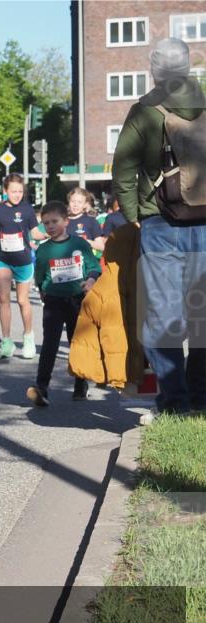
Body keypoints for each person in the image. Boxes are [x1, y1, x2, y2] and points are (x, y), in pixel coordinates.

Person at [111, 37, 205, 418]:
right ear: (187, 67)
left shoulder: (145, 110)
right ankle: (201, 398)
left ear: (154, 68)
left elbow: (123, 168)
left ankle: (175, 400)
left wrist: (135, 213)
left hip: (160, 221)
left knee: (164, 315)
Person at [27, 201, 102, 406]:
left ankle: (80, 383)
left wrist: (91, 280)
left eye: (54, 221)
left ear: (66, 221)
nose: (50, 226)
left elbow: (94, 267)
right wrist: (42, 290)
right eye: (46, 223)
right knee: (49, 345)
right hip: (53, 302)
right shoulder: (43, 250)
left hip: (77, 301)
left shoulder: (79, 244)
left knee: (76, 344)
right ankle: (42, 387)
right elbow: (40, 275)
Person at [0, 174, 46, 359]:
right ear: (5, 191)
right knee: (3, 299)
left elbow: (34, 232)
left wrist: (49, 233)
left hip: (23, 260)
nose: (17, 194)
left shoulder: (27, 209)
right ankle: (7, 341)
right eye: (13, 191)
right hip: (3, 259)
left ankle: (28, 338)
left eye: (20, 191)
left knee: (23, 301)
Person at [66, 187, 106, 254]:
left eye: (80, 202)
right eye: (73, 201)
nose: (75, 205)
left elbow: (101, 246)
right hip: (65, 261)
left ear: (85, 204)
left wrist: (86, 241)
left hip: (85, 262)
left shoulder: (91, 221)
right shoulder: (61, 221)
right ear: (69, 202)